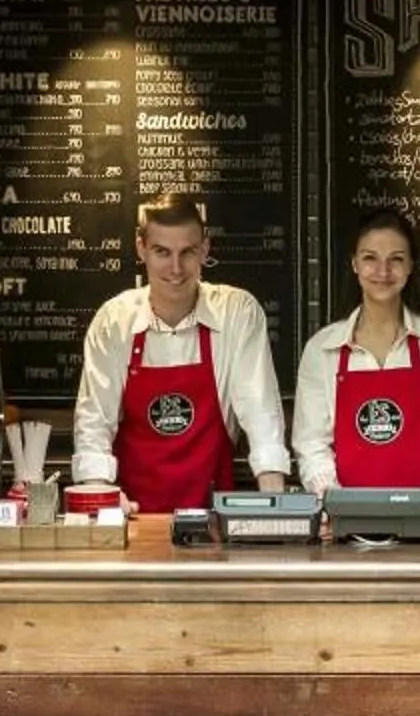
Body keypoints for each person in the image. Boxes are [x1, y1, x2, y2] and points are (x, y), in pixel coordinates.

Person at [70, 192, 290, 512]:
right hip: (133, 518)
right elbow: (94, 422)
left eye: (187, 252)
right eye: (162, 252)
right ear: (141, 248)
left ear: (205, 249)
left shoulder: (237, 312)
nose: (175, 268)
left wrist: (278, 509)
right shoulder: (113, 321)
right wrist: (100, 494)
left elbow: (261, 413)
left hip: (214, 517)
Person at [291, 208, 420, 508]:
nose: (383, 272)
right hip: (347, 524)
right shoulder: (322, 349)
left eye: (396, 259)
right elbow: (312, 445)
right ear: (354, 264)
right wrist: (334, 503)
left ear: (410, 267)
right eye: (370, 258)